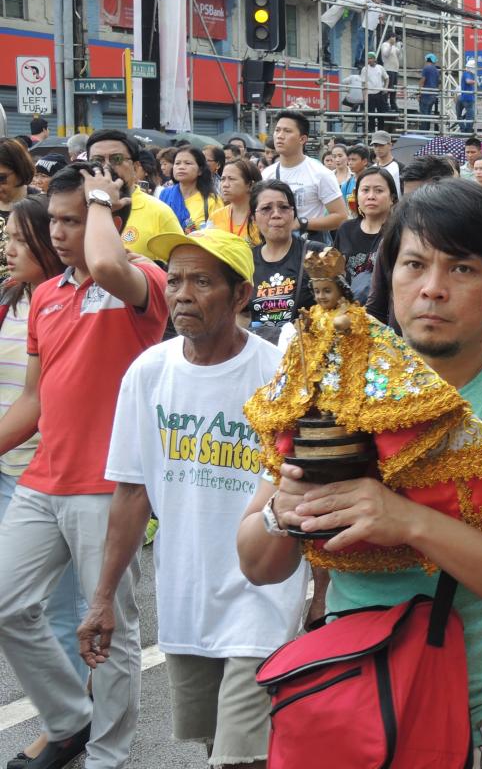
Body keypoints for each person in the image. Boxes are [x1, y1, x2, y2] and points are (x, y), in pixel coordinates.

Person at [237, 179, 482, 768]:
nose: (432, 288)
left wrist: (407, 520)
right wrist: (284, 511)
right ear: (389, 276)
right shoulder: (329, 398)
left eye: (461, 270)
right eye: (414, 265)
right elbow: (256, 561)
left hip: (481, 725)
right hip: (352, 704)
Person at [79, 228, 306, 769]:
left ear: (242, 295)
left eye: (202, 281)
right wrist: (104, 598)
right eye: (175, 280)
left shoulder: (277, 375)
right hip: (188, 600)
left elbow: (306, 486)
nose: (181, 294)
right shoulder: (149, 373)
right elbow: (132, 494)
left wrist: (321, 590)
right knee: (214, 745)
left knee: (237, 756)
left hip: (263, 594)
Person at [0, 161, 169, 769]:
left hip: (108, 489)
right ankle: (70, 720)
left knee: (111, 631)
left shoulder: (142, 280)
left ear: (110, 221)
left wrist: (102, 195)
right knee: (6, 606)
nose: (61, 233)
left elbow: (104, 265)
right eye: (56, 221)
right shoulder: (44, 297)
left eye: (75, 220)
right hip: (42, 481)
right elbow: (33, 402)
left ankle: (107, 757)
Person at [0, 196, 84, 768]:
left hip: (56, 476)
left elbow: (36, 403)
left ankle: (67, 732)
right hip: (8, 471)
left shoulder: (70, 307)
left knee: (58, 612)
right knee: (12, 605)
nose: (6, 247)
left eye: (15, 237)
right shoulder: (9, 301)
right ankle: (70, 720)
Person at [364, 156, 457, 326]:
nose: (414, 208)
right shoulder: (393, 242)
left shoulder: (470, 244)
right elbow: (375, 308)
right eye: (408, 199)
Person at [86, 130, 185, 259]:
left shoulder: (159, 212)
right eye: (97, 160)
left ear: (136, 166)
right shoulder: (77, 210)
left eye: (117, 159)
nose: (106, 167)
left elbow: (181, 268)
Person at [261, 111, 349, 246]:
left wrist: (302, 223)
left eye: (287, 131)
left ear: (302, 139)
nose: (279, 136)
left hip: (308, 250)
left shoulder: (320, 173)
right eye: (277, 130)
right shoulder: (267, 174)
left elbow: (341, 217)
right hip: (274, 246)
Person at [249, 179, 313, 328]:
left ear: (293, 214)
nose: (276, 214)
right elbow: (239, 315)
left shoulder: (317, 255)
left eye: (284, 207)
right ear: (253, 218)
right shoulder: (245, 260)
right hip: (262, 348)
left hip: (306, 348)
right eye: (266, 209)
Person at [332, 166, 397, 303]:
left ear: (392, 198)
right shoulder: (346, 230)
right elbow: (335, 274)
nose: (371, 196)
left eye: (379, 190)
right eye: (365, 190)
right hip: (350, 312)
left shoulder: (398, 232)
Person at [160, 146, 220, 233]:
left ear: (200, 170)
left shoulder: (212, 201)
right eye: (177, 163)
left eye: (187, 163)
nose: (181, 167)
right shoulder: (165, 194)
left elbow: (217, 235)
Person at [208, 158, 263, 246]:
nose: (225, 185)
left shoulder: (263, 217)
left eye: (231, 179)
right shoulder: (216, 216)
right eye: (223, 179)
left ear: (250, 185)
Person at [362, 52, 388, 132]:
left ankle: (381, 131)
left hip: (379, 93)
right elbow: (363, 83)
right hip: (370, 94)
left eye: (370, 58)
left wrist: (385, 88)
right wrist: (364, 96)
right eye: (368, 58)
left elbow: (386, 78)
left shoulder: (380, 68)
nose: (369, 60)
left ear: (374, 59)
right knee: (371, 115)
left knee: (381, 114)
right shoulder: (365, 69)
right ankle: (371, 132)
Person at [379, 33, 401, 111]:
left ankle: (393, 104)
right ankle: (385, 105)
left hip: (395, 70)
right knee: (388, 88)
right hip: (388, 69)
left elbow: (399, 56)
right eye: (394, 38)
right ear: (391, 37)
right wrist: (391, 46)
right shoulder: (385, 44)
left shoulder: (394, 47)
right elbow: (385, 54)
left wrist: (399, 46)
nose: (395, 40)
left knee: (393, 89)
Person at [419, 53, 439, 128]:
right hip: (433, 95)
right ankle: (426, 132)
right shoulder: (436, 70)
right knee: (428, 115)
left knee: (424, 115)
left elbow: (422, 80)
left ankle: (423, 133)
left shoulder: (426, 68)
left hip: (426, 95)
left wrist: (419, 93)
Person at [457, 58, 477, 132]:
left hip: (463, 97)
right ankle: (468, 130)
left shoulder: (468, 74)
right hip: (468, 98)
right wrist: (475, 81)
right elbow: (468, 81)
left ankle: (463, 129)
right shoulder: (467, 74)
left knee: (460, 115)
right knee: (470, 116)